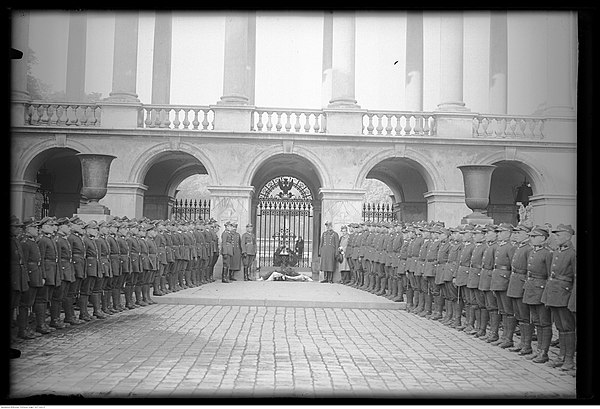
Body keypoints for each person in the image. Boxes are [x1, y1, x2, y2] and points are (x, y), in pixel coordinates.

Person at [542, 224, 576, 371]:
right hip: (554, 293)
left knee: (568, 327)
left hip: (565, 294)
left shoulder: (572, 254)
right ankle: (561, 356)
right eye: (555, 235)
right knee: (560, 327)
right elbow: (551, 274)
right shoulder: (556, 252)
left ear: (568, 236)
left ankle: (569, 359)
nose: (556, 238)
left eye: (559, 235)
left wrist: (572, 299)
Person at [523, 226, 553, 364]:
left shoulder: (548, 253)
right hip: (531, 288)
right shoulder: (532, 252)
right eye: (531, 236)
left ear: (543, 238)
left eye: (534, 236)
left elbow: (549, 276)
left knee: (544, 322)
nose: (531, 238)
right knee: (536, 321)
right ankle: (538, 350)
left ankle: (544, 352)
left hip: (541, 290)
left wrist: (547, 294)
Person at [506, 223, 534, 355]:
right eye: (515, 233)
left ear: (527, 234)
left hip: (522, 283)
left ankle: (526, 345)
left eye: (519, 233)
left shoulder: (528, 248)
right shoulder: (519, 247)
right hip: (515, 282)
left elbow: (530, 270)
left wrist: (526, 285)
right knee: (519, 315)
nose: (516, 235)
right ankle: (522, 343)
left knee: (525, 315)